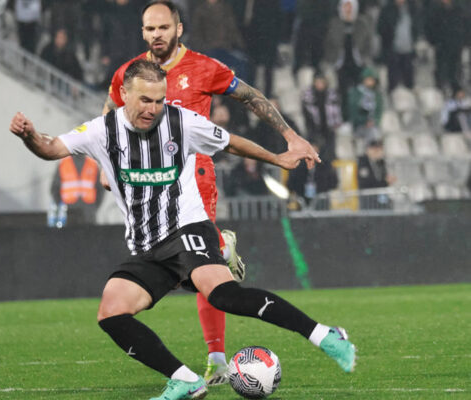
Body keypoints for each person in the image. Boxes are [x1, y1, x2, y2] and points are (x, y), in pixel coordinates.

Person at [9, 59, 357, 400]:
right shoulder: (102, 131)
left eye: (159, 100)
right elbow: (51, 148)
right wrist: (29, 136)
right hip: (148, 245)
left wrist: (277, 158)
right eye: (145, 100)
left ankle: (324, 335)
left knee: (222, 295)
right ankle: (185, 380)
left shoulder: (181, 122)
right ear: (124, 95)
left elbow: (231, 141)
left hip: (188, 227)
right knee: (111, 312)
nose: (153, 109)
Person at [101, 0, 321, 386]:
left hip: (194, 177)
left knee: (203, 271)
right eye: (150, 29)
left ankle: (217, 358)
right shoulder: (129, 73)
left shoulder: (204, 67)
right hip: (148, 183)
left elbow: (251, 96)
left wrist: (290, 137)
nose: (157, 35)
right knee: (183, 269)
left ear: (178, 29)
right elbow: (109, 115)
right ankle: (220, 247)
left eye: (163, 27)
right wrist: (105, 165)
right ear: (143, 32)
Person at [49, 154, 102, 227]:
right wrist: (61, 207)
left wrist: (93, 207)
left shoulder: (92, 164)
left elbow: (100, 189)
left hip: (88, 213)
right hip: (69, 212)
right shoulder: (64, 164)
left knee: (90, 233)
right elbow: (55, 189)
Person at [377, 0, 418, 92]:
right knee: (393, 83)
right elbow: (381, 28)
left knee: (409, 82)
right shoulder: (387, 10)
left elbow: (416, 26)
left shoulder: (412, 8)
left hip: (408, 51)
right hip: (393, 51)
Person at [301, 73, 342, 161]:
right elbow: (306, 114)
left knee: (330, 144)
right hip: (313, 127)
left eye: (322, 82)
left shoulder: (332, 95)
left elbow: (336, 112)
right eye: (318, 82)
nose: (320, 85)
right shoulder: (308, 97)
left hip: (328, 127)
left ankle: (329, 160)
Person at [357, 139, 396, 209]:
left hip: (381, 198)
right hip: (369, 201)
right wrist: (385, 182)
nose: (378, 152)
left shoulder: (380, 163)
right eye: (376, 150)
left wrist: (387, 180)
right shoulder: (363, 163)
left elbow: (383, 177)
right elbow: (365, 182)